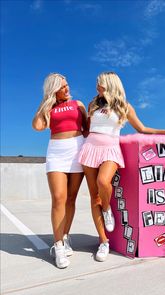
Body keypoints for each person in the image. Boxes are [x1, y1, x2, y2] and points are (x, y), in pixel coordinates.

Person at [78, 71, 165, 262]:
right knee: (94, 198)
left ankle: (107, 209)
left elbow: (142, 129)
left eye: (99, 83)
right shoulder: (93, 104)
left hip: (110, 148)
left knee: (104, 182)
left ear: (109, 84)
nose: (96, 87)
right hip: (90, 148)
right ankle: (104, 242)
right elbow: (86, 129)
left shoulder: (124, 106)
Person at [32, 73, 88, 268]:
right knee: (58, 198)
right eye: (62, 86)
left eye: (67, 85)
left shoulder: (78, 104)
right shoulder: (50, 107)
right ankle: (57, 246)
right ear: (54, 89)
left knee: (71, 198)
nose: (67, 89)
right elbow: (38, 126)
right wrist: (46, 101)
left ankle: (64, 237)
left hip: (77, 150)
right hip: (56, 152)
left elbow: (87, 129)